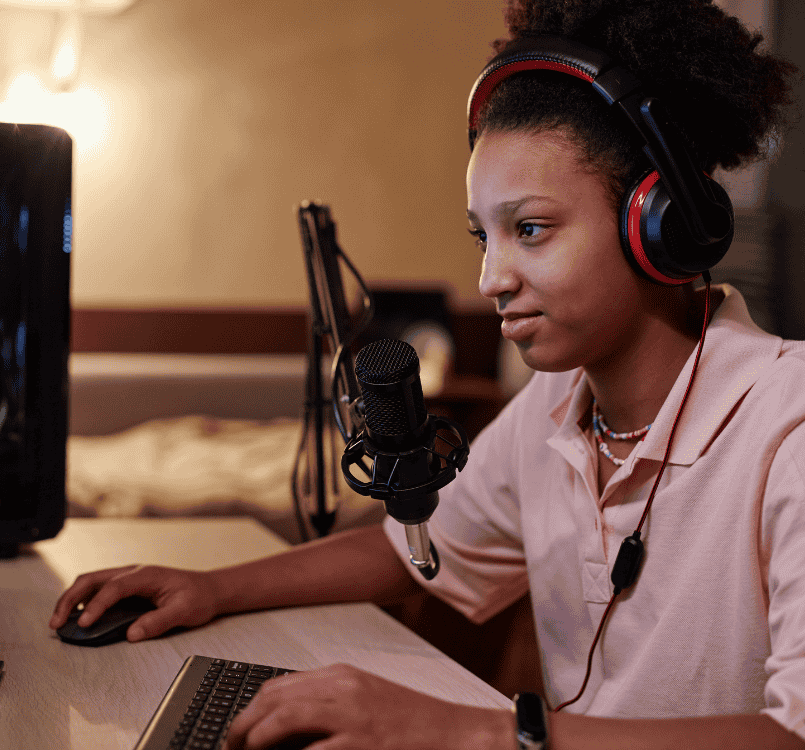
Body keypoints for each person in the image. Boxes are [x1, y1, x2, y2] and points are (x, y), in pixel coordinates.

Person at [50, 1, 805, 747]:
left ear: (659, 225)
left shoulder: (788, 425)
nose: (490, 279)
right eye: (485, 236)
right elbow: (413, 551)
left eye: (530, 230)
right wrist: (213, 587)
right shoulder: (558, 404)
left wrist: (469, 731)